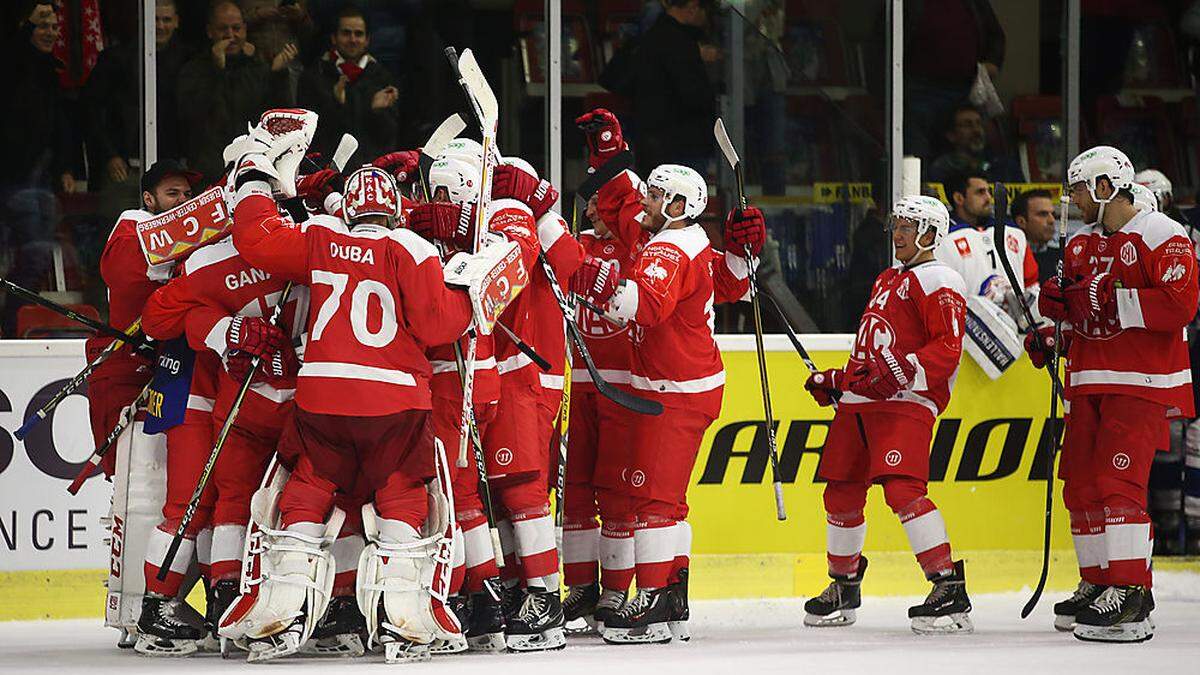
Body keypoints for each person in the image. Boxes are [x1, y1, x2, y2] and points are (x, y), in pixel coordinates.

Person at [217, 112, 526, 662]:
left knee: (308, 489)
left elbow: (258, 241)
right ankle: (404, 619)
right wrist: (470, 284)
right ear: (397, 209)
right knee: (403, 497)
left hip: (322, 398)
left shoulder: (321, 235)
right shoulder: (413, 248)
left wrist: (255, 178)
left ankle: (279, 611)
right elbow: (437, 325)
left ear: (349, 208)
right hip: (394, 401)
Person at [1027, 145, 1197, 643]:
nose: (1073, 199)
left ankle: (1130, 591)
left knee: (1118, 484)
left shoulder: (1160, 233)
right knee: (1080, 484)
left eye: (1079, 189)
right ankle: (1098, 581)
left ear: (1105, 187)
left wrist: (1108, 298)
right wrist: (1055, 333)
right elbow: (1081, 310)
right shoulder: (1081, 244)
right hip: (1089, 379)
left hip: (1139, 381)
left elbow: (1181, 303)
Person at [409, 153, 567, 653]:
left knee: (521, 489)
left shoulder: (507, 209)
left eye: (444, 192)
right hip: (487, 374)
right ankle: (496, 594)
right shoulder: (462, 219)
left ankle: (545, 601)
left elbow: (511, 262)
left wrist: (464, 222)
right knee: (481, 494)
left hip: (524, 374)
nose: (437, 202)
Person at [802, 195, 974, 635]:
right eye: (896, 225)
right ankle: (843, 583)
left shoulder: (940, 278)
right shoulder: (886, 277)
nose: (897, 233)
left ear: (931, 234)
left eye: (908, 226)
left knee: (902, 490)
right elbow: (874, 352)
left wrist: (900, 371)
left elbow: (947, 349)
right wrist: (839, 381)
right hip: (863, 404)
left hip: (907, 402)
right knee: (839, 491)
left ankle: (947, 583)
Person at [85, 0, 193, 226]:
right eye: (155, 19)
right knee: (120, 235)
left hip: (170, 171)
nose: (160, 26)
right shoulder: (116, 59)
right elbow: (92, 111)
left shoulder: (189, 61)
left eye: (166, 20)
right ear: (143, 21)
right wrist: (110, 155)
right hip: (124, 170)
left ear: (177, 22)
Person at [177, 1, 294, 182]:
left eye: (236, 28)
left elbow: (277, 117)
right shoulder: (193, 69)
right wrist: (217, 70)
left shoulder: (257, 68)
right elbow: (194, 115)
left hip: (253, 169)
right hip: (209, 173)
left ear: (245, 30)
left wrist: (277, 75)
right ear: (210, 32)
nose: (231, 35)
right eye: (223, 29)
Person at [612, 0, 718, 176]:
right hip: (682, 143)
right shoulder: (680, 43)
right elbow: (694, 94)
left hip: (652, 140)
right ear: (692, 8)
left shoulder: (651, 37)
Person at [298, 5, 399, 169]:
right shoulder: (315, 75)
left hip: (371, 170)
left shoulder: (383, 77)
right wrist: (337, 103)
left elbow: (389, 137)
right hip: (325, 172)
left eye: (358, 34)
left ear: (367, 40)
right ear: (334, 38)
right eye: (346, 33)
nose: (352, 39)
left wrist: (376, 111)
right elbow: (309, 135)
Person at [903, 1, 1005, 159]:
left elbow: (996, 35)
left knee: (977, 146)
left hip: (966, 89)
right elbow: (884, 41)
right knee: (918, 152)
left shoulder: (974, 4)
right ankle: (923, 182)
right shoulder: (909, 4)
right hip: (921, 89)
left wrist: (993, 63)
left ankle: (974, 182)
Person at [927, 105, 1022, 185]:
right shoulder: (942, 169)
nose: (977, 130)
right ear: (951, 135)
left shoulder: (1005, 166)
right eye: (968, 125)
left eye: (979, 123)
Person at [1011, 188, 1058, 283]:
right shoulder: (1007, 260)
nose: (1052, 220)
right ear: (1021, 222)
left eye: (1053, 214)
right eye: (1043, 214)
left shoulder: (1063, 258)